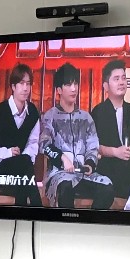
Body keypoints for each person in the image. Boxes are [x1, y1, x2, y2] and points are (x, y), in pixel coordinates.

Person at [40, 62, 115, 209]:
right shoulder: (50, 116)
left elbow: (93, 146)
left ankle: (90, 221)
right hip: (59, 175)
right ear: (59, 90)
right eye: (68, 84)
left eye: (75, 84)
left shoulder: (86, 118)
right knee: (66, 187)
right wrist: (62, 158)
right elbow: (44, 144)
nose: (74, 89)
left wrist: (90, 164)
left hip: (84, 174)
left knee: (107, 188)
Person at [0, 63, 41, 206]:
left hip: (21, 173)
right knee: (24, 169)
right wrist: (7, 153)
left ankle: (27, 208)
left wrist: (24, 157)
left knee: (24, 165)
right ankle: (38, 206)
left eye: (28, 84)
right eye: (21, 83)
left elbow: (33, 143)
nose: (25, 88)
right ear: (13, 86)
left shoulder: (33, 113)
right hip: (0, 173)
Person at [89, 58, 130, 200]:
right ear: (106, 86)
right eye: (116, 79)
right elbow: (92, 147)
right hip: (110, 168)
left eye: (124, 78)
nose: (121, 82)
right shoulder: (98, 112)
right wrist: (114, 152)